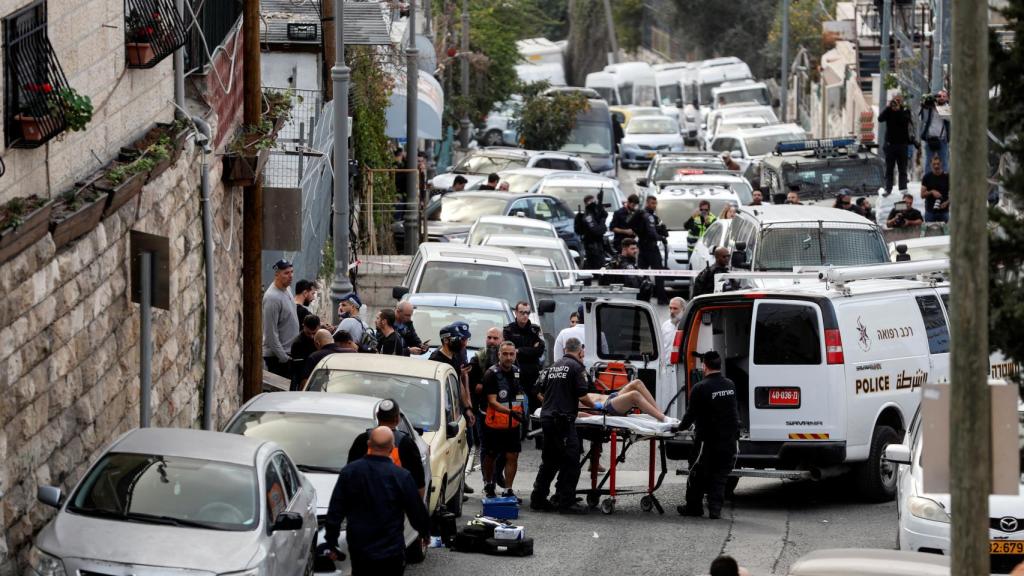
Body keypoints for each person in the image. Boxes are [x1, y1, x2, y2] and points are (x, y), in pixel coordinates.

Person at [322, 427, 430, 576]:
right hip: (391, 550)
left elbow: (336, 509)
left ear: (368, 444)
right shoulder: (401, 476)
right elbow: (416, 510)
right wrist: (424, 533)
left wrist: (331, 540)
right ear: (392, 448)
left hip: (360, 548)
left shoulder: (350, 472)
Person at [530, 337, 596, 514]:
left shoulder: (552, 366)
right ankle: (566, 502)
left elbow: (536, 390)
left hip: (548, 419)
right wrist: (598, 406)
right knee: (571, 461)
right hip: (563, 422)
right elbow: (583, 396)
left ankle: (538, 499)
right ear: (580, 351)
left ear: (565, 349)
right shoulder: (576, 367)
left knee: (550, 460)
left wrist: (550, 404)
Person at [677, 350, 739, 519]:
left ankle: (694, 507)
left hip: (707, 442)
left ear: (704, 366)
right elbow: (734, 413)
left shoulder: (700, 387)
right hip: (728, 440)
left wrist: (678, 428)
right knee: (720, 476)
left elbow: (690, 415)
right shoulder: (730, 385)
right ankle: (715, 510)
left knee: (696, 473)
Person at [347, 400, 426, 498]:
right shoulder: (406, 443)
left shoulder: (362, 440)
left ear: (377, 416)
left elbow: (350, 476)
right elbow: (418, 482)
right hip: (394, 506)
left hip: (364, 505)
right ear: (398, 419)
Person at [482, 341, 526, 500]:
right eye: (505, 354)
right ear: (499, 355)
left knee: (512, 455)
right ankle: (488, 483)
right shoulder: (491, 374)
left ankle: (508, 489)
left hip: (513, 424)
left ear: (515, 354)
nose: (509, 357)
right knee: (491, 455)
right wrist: (510, 412)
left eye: (511, 354)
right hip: (495, 424)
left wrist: (522, 409)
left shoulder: (517, 371)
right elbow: (492, 401)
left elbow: (519, 392)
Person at [470, 327, 504, 485]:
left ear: (501, 340)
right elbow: (473, 386)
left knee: (504, 448)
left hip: (503, 411)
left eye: (495, 338)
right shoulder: (478, 358)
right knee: (486, 446)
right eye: (489, 337)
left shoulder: (507, 357)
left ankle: (498, 475)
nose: (491, 341)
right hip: (483, 410)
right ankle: (487, 481)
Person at [503, 301, 546, 422]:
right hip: (517, 374)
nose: (525, 315)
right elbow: (508, 351)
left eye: (527, 313)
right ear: (516, 313)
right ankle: (522, 428)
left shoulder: (535, 329)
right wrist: (530, 349)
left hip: (533, 374)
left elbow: (539, 351)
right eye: (522, 312)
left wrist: (519, 350)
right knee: (519, 401)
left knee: (536, 404)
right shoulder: (508, 330)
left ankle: (536, 432)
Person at [430, 323, 477, 431]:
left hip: (457, 409)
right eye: (459, 339)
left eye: (464, 339)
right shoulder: (436, 360)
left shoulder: (456, 355)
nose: (463, 343)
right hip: (443, 411)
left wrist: (467, 408)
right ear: (446, 340)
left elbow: (458, 383)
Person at [629, 195, 669, 305]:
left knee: (642, 274)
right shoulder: (649, 216)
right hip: (651, 248)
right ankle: (662, 298)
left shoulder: (643, 215)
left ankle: (642, 298)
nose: (654, 206)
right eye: (652, 203)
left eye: (655, 204)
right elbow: (652, 232)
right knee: (659, 274)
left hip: (642, 247)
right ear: (647, 203)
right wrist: (661, 238)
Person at [262, 259, 299, 378]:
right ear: (277, 274)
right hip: (277, 358)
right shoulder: (272, 298)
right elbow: (270, 333)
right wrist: (283, 357)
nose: (290, 276)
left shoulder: (287, 289)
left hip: (288, 354)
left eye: (292, 272)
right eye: (286, 273)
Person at [582, 379, 670, 422]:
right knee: (634, 395)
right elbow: (578, 414)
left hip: (610, 398)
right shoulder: (570, 401)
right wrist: (602, 418)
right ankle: (663, 419)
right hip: (605, 408)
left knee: (637, 383)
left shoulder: (574, 387)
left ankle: (660, 413)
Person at [878, 93, 915, 196]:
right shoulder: (889, 110)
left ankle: (903, 188)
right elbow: (880, 119)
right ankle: (888, 188)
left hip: (902, 144)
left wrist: (898, 110)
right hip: (890, 144)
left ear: (902, 101)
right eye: (895, 100)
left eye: (898, 100)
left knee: (902, 168)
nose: (896, 102)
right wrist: (888, 108)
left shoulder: (905, 111)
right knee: (889, 168)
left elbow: (904, 121)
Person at [919, 90, 950, 172]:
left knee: (944, 163)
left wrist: (935, 105)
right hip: (930, 139)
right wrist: (925, 105)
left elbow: (947, 117)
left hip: (942, 140)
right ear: (936, 97)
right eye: (939, 96)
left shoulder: (948, 108)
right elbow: (923, 119)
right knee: (928, 163)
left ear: (947, 98)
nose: (941, 98)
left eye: (944, 96)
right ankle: (927, 183)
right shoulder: (930, 108)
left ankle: (945, 183)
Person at [576, 194, 608, 270]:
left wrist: (602, 214)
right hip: (592, 245)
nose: (595, 203)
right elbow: (597, 230)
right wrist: (602, 220)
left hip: (598, 244)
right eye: (592, 202)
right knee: (597, 265)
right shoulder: (588, 215)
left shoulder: (594, 213)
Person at [920, 155, 950, 223]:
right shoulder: (926, 177)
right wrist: (931, 192)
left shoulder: (947, 177)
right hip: (930, 211)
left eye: (938, 164)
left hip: (944, 211)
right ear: (931, 164)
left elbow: (955, 194)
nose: (936, 166)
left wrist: (947, 202)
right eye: (934, 164)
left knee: (945, 233)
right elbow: (922, 195)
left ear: (941, 164)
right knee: (929, 233)